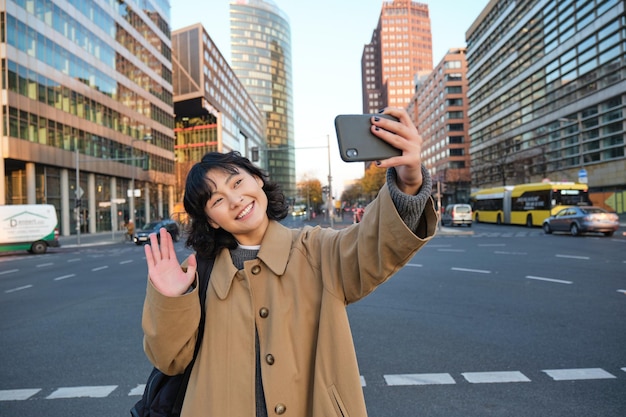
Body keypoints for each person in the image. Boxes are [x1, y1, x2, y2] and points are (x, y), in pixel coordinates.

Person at [141, 107, 438, 416]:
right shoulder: (201, 276)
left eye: (237, 183)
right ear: (211, 221)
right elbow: (170, 360)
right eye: (216, 200)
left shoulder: (319, 252)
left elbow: (376, 243)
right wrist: (172, 300)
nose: (234, 200)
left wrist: (409, 181)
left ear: (257, 180)